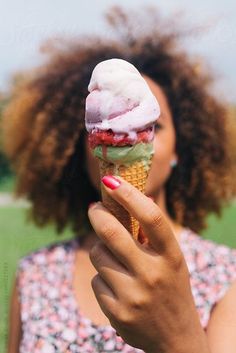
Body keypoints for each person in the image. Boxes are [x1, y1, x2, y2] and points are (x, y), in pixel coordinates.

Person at [3, 7, 236, 353]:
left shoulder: (226, 277)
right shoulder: (34, 274)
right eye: (105, 129)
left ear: (178, 151)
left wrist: (178, 337)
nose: (125, 139)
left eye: (151, 127)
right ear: (79, 150)